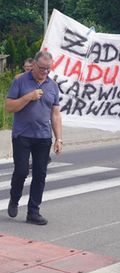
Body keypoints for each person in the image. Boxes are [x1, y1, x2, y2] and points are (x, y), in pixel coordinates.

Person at [5, 51, 62, 225]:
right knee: (21, 171)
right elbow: (8, 107)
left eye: (48, 69)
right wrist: (28, 97)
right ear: (34, 65)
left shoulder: (52, 86)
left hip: (43, 137)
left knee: (40, 175)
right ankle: (14, 199)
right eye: (42, 68)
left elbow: (55, 114)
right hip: (22, 135)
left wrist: (58, 139)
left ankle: (33, 212)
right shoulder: (20, 81)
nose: (45, 72)